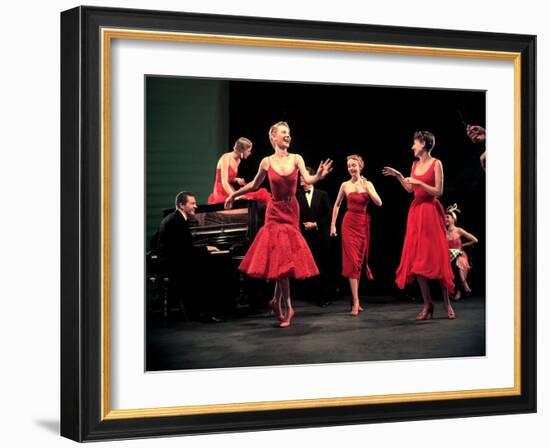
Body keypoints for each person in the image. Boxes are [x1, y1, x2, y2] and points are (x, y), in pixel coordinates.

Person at [225, 121, 333, 327]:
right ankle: (287, 306)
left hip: (291, 210)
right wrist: (234, 194)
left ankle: (277, 301)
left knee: (283, 258)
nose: (288, 136)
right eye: (284, 132)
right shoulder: (266, 162)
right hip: (274, 212)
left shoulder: (296, 158)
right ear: (273, 137)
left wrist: (319, 175)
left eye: (289, 133)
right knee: (279, 257)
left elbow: (309, 177)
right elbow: (254, 184)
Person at [383, 131, 456, 320]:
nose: (412, 147)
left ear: (423, 143)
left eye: (414, 143)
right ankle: (427, 304)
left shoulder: (436, 163)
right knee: (417, 259)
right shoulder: (415, 164)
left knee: (437, 256)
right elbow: (410, 188)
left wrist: (419, 182)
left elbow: (438, 191)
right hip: (416, 214)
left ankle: (446, 303)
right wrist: (399, 175)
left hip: (431, 212)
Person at [157, 191, 223, 323]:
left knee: (207, 268)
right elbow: (185, 250)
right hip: (176, 265)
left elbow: (178, 246)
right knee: (211, 273)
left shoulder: (172, 218)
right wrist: (206, 248)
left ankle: (197, 312)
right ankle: (205, 314)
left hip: (173, 262)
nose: (196, 206)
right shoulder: (177, 221)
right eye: (192, 203)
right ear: (182, 205)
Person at [330, 155, 382, 315]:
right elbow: (337, 204)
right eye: (349, 166)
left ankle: (354, 299)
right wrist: (333, 225)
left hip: (362, 225)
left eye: (354, 165)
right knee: (352, 261)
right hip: (348, 224)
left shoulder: (368, 184)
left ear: (360, 166)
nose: (351, 168)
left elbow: (379, 202)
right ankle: (356, 301)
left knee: (358, 262)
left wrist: (367, 188)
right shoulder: (345, 185)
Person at [296, 166, 333, 307]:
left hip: (320, 236)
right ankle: (308, 295)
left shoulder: (322, 194)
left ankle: (323, 296)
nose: (300, 178)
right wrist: (302, 225)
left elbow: (328, 215)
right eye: (300, 176)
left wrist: (315, 224)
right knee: (306, 266)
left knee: (322, 265)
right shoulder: (296, 195)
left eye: (303, 176)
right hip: (303, 236)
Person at [208, 137, 271, 205]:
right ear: (242, 150)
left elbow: (229, 178)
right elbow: (224, 182)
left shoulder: (238, 161)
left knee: (255, 198)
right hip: (221, 191)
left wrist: (237, 180)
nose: (250, 153)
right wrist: (234, 196)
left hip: (230, 189)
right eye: (248, 151)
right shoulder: (225, 158)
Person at [445, 203, 478, 300]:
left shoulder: (459, 230)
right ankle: (464, 287)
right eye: (444, 218)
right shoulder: (443, 232)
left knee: (459, 262)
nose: (445, 219)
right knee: (454, 262)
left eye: (447, 217)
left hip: (460, 255)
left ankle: (462, 288)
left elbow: (475, 240)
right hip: (449, 256)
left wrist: (463, 245)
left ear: (453, 219)